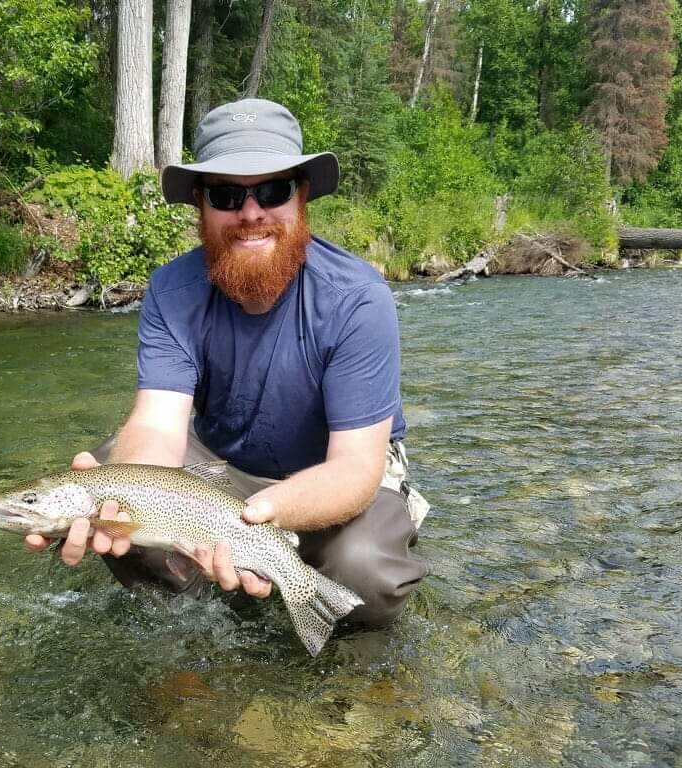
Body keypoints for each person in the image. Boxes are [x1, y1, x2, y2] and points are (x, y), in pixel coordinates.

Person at [26, 98, 429, 626]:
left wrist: (248, 522)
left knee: (365, 573)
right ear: (200, 205)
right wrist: (123, 497)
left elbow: (354, 467)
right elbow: (156, 423)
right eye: (226, 194)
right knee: (117, 484)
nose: (251, 212)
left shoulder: (357, 297)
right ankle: (189, 618)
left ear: (301, 197)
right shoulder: (172, 290)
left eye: (272, 190)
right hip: (223, 473)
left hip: (335, 472)